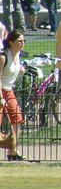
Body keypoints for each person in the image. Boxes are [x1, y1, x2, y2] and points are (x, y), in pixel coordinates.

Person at [1, 29, 27, 160]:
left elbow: (15, 68)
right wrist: (0, 97)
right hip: (1, 91)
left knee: (17, 119)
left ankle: (12, 150)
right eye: (19, 41)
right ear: (11, 42)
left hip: (9, 90)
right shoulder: (3, 57)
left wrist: (21, 69)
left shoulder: (18, 54)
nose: (22, 43)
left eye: (23, 41)